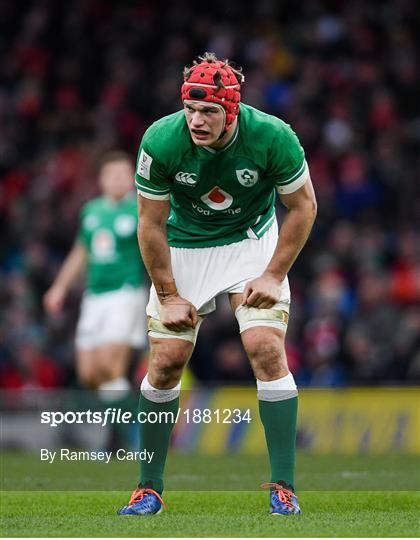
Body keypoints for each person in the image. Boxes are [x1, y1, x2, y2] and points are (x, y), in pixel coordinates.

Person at [118, 52, 317, 516]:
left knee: (266, 349)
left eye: (208, 110)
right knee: (166, 361)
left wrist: (272, 274)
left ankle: (283, 487)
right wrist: (167, 295)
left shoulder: (272, 136)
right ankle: (148, 488)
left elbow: (303, 207)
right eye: (190, 108)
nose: (196, 120)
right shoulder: (160, 140)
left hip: (250, 242)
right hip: (183, 245)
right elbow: (149, 224)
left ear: (232, 109)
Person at [43, 151, 148, 407]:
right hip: (94, 296)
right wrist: (58, 288)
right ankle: (125, 420)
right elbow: (81, 252)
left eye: (123, 174)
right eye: (111, 174)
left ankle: (127, 437)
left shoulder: (140, 209)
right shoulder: (92, 211)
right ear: (101, 179)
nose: (117, 180)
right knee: (89, 375)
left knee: (109, 366)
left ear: (132, 179)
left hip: (126, 292)